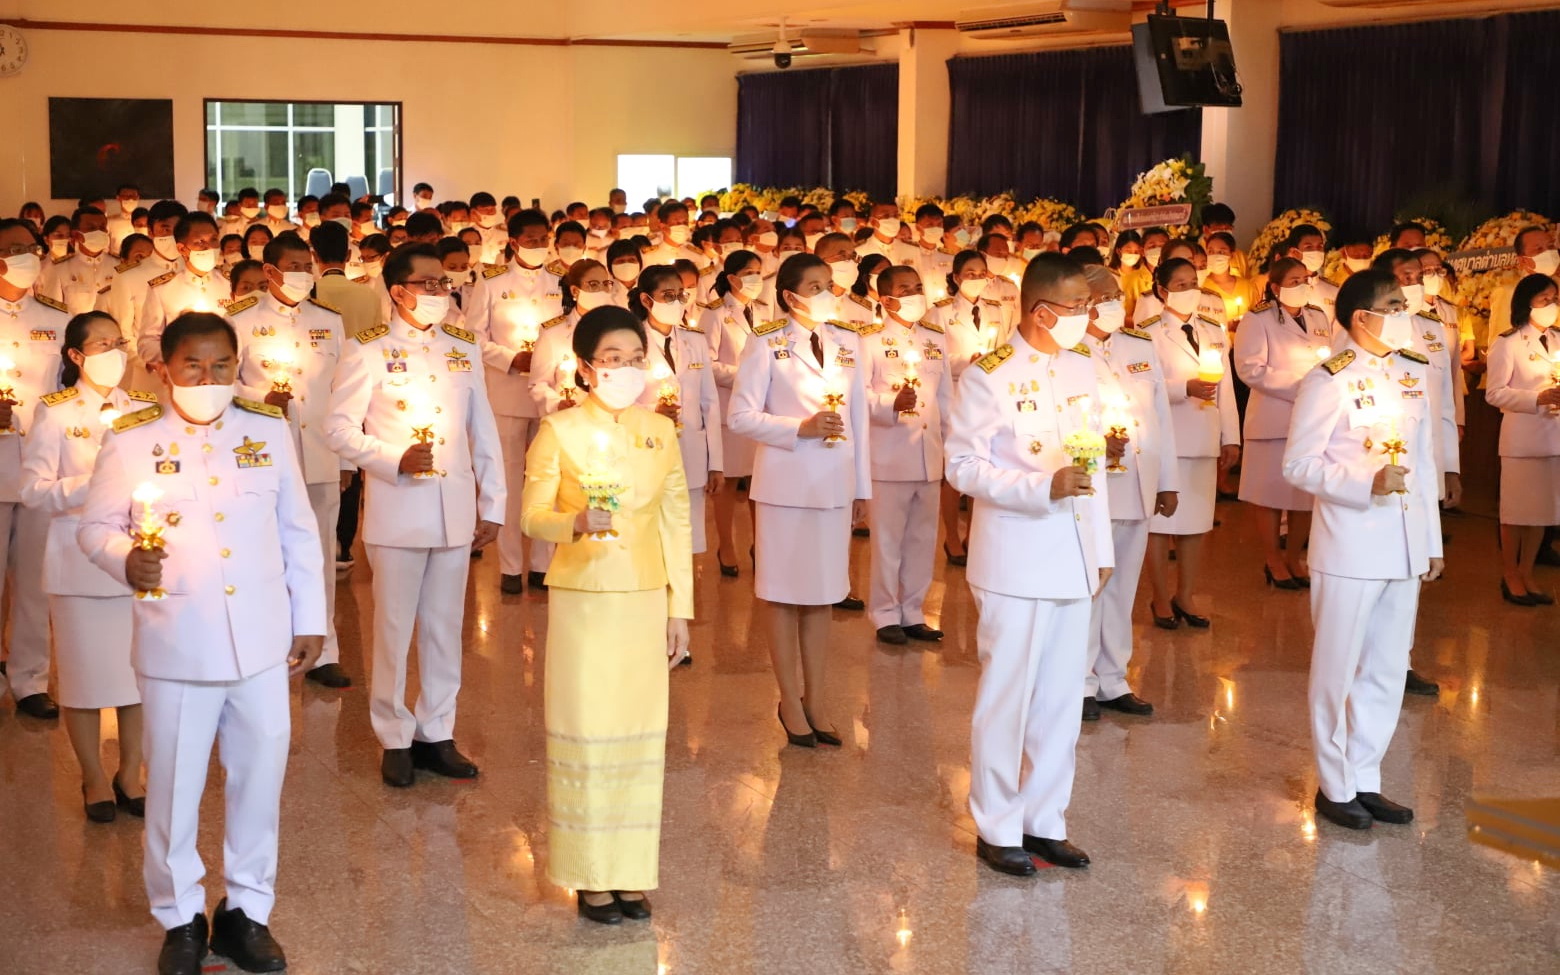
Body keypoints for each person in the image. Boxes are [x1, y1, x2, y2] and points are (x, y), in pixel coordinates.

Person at [77, 311, 326, 975]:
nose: (208, 378)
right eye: (194, 365)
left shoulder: (267, 429)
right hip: (177, 643)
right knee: (174, 789)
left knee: (258, 783)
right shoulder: (132, 438)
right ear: (164, 367)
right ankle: (180, 914)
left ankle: (247, 911)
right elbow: (96, 526)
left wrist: (312, 618)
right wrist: (125, 558)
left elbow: (299, 530)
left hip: (261, 644)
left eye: (222, 366)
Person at [519, 306, 692, 925]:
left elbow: (675, 518)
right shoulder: (558, 431)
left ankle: (629, 872)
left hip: (645, 597)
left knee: (641, 739)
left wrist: (681, 608)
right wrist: (572, 524)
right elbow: (531, 516)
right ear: (587, 367)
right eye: (612, 360)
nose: (624, 370)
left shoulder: (660, 430)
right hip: (584, 598)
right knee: (589, 736)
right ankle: (590, 876)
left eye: (634, 358)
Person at [945, 253, 1112, 876]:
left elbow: (1091, 467)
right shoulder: (988, 375)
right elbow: (962, 466)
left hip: (1071, 557)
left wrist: (1101, 549)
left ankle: (1046, 820)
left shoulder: (1084, 368)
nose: (1087, 317)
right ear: (1042, 311)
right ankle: (997, 824)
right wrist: (1041, 487)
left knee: (1062, 699)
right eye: (1078, 307)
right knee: (1007, 697)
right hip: (1015, 557)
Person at [325, 243, 504, 788]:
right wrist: (389, 458)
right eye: (426, 284)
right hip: (398, 509)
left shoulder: (462, 347)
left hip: (453, 508)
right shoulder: (367, 350)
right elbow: (336, 429)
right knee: (394, 627)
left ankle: (437, 732)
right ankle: (394, 734)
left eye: (443, 283)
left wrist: (492, 501)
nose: (438, 292)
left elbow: (484, 428)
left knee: (446, 629)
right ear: (397, 290)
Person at [1282, 270, 1442, 831]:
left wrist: (1430, 542)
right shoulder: (1329, 380)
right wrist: (1362, 480)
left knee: (1386, 668)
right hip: (1350, 545)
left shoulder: (1414, 372)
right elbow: (1298, 465)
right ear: (1362, 318)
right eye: (1394, 304)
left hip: (1401, 545)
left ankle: (1366, 777)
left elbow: (1424, 465)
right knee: (1338, 668)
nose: (1406, 311)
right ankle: (1334, 784)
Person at [728, 254, 869, 748]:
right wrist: (797, 429)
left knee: (823, 595)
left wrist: (861, 489)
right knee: (784, 595)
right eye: (816, 286)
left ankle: (818, 698)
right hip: (785, 486)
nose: (827, 292)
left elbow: (859, 422)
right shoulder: (765, 342)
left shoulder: (850, 342)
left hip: (833, 484)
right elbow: (740, 416)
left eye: (829, 284)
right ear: (789, 296)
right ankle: (789, 700)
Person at [21, 311, 154, 819]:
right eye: (101, 345)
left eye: (118, 341)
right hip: (76, 564)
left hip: (132, 558)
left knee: (135, 675)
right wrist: (90, 482)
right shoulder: (54, 412)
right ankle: (93, 777)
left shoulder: (142, 409)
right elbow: (33, 492)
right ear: (76, 356)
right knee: (82, 678)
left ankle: (130, 772)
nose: (114, 352)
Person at [230, 232, 354, 687]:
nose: (305, 273)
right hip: (261, 452)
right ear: (270, 272)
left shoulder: (328, 319)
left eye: (309, 265)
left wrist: (347, 462)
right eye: (295, 265)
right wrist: (260, 396)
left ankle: (324, 649)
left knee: (319, 552)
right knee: (260, 549)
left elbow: (343, 391)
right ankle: (261, 643)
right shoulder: (239, 318)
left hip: (320, 450)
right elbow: (223, 384)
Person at [1077, 265, 1178, 721]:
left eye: (1119, 293)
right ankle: (1078, 681)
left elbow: (1160, 418)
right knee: (1090, 586)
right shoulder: (1069, 353)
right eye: (1107, 295)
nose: (1117, 301)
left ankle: (1113, 679)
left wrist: (1168, 480)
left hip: (1137, 482)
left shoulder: (1138, 346)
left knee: (1122, 588)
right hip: (1092, 489)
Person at [466, 208, 563, 593]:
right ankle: (509, 566)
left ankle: (543, 562)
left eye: (544, 240)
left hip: (554, 392)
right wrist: (509, 358)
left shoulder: (559, 281)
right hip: (507, 392)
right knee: (507, 480)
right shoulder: (491, 282)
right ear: (514, 242)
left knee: (547, 478)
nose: (539, 246)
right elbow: (472, 335)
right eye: (532, 240)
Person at [1143, 258, 1240, 628]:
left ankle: (1185, 595)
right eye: (1180, 285)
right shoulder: (1148, 331)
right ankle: (1159, 597)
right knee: (1160, 523)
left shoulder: (1214, 329)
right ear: (1162, 290)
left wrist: (1230, 435)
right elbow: (1143, 386)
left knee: (1197, 521)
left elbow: (1226, 387)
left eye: (1193, 283)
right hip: (1167, 434)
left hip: (1203, 436)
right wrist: (1184, 388)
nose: (1189, 291)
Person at [859, 265, 949, 645]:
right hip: (889, 455)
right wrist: (888, 404)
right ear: (886, 298)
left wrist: (951, 448)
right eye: (904, 289)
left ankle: (913, 610)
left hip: (928, 455)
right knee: (887, 541)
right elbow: (857, 395)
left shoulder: (934, 338)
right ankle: (883, 613)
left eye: (917, 287)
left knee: (922, 539)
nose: (914, 295)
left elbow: (946, 398)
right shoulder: (870, 340)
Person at [1234, 258, 1337, 587]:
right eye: (1294, 280)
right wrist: (1302, 387)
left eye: (1306, 279)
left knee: (1303, 495)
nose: (1303, 285)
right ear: (1276, 288)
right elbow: (1250, 369)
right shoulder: (1258, 318)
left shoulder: (1318, 316)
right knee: (1269, 494)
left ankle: (1294, 556)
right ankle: (1272, 558)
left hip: (1311, 419)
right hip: (1272, 418)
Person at [0, 218, 68, 718]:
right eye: (15, 248)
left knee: (34, 581)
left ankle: (29, 679)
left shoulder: (57, 318)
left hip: (41, 468)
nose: (28, 254)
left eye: (31, 246)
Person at [632, 265, 722, 565]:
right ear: (647, 300)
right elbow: (620, 402)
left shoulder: (694, 340)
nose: (676, 303)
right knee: (650, 536)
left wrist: (716, 463)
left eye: (680, 295)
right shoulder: (632, 341)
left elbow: (709, 403)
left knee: (688, 537)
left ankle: (682, 603)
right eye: (667, 296)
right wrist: (652, 411)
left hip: (691, 452)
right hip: (646, 449)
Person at [1486, 273, 1560, 606]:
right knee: (1516, 513)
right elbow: (1495, 393)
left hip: (1554, 438)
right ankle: (1510, 574)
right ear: (1527, 302)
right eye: (1545, 299)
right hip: (1522, 438)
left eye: (1555, 299)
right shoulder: (1509, 341)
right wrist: (1536, 398)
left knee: (1542, 512)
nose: (1551, 305)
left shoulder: (1558, 339)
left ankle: (1529, 572)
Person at [703, 249, 766, 575]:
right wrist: (743, 375)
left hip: (762, 407)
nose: (756, 279)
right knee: (729, 480)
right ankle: (726, 544)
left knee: (760, 478)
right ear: (732, 278)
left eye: (759, 272)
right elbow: (708, 364)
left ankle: (761, 543)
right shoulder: (715, 314)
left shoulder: (764, 311)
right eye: (749, 273)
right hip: (730, 405)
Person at [138, 212, 233, 371]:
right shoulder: (162, 289)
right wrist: (178, 359)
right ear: (182, 249)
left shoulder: (231, 284)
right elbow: (147, 342)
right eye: (200, 242)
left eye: (213, 240)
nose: (209, 247)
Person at [40, 206, 115, 315]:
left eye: (102, 227)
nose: (99, 232)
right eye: (91, 228)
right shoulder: (59, 269)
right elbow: (52, 314)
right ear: (76, 234)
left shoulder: (119, 266)